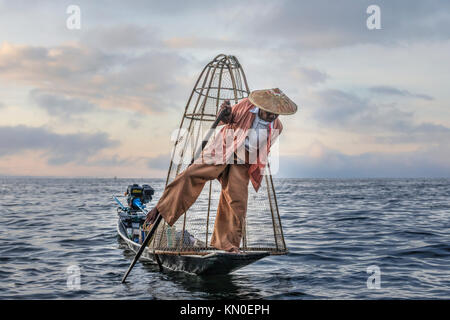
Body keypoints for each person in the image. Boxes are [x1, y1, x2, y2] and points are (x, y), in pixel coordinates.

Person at [145, 88, 298, 253]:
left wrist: (255, 167)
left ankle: (226, 244)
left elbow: (264, 149)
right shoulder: (246, 106)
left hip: (243, 161)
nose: (272, 116)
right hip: (223, 149)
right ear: (261, 107)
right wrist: (224, 112)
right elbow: (225, 119)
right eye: (269, 113)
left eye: (276, 113)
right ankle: (161, 210)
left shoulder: (277, 126)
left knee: (237, 202)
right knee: (191, 174)